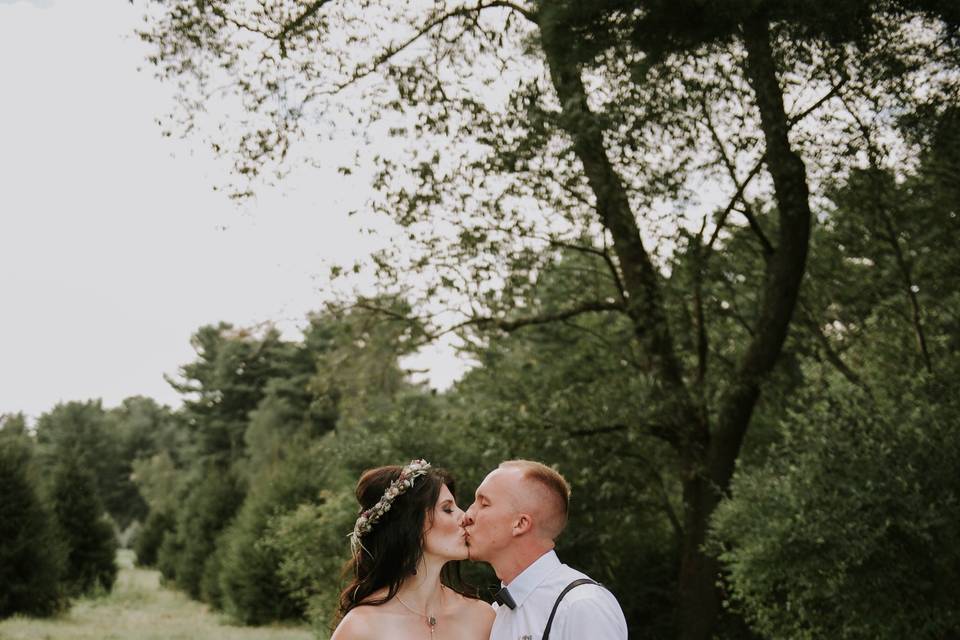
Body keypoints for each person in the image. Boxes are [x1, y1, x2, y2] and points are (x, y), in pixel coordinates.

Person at [461, 460, 628, 640]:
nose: (467, 515)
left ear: (520, 524)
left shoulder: (582, 605)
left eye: (484, 504)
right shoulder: (497, 614)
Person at [331, 459, 495, 640]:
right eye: (447, 509)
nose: (464, 517)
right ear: (411, 525)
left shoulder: (482, 617)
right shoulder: (361, 627)